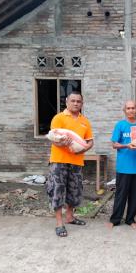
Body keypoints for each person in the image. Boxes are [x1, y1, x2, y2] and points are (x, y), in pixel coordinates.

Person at [46, 91, 94, 237]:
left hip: (77, 161)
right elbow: (53, 138)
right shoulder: (59, 118)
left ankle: (70, 217)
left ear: (82, 103)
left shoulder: (85, 121)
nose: (75, 103)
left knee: (74, 191)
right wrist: (62, 142)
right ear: (67, 101)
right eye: (72, 100)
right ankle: (59, 223)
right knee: (58, 190)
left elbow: (90, 141)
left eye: (78, 101)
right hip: (59, 161)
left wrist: (85, 148)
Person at [108, 100, 136, 229]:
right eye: (128, 108)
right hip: (123, 167)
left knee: (135, 196)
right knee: (120, 195)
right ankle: (115, 219)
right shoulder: (120, 125)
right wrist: (126, 145)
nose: (131, 110)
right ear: (124, 110)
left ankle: (130, 219)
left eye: (133, 108)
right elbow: (114, 144)